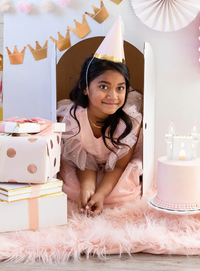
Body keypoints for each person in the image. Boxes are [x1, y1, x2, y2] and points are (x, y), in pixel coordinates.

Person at [57, 17, 142, 215]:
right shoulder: (73, 120)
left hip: (115, 170)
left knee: (124, 193)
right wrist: (87, 187)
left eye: (120, 88)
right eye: (103, 87)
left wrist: (101, 194)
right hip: (84, 167)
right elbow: (83, 162)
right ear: (86, 88)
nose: (113, 96)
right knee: (72, 188)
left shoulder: (128, 123)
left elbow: (119, 166)